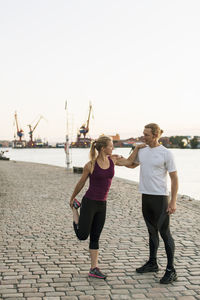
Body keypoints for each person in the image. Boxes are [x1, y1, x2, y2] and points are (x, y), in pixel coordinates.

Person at [69, 135, 145, 279]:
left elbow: (130, 161)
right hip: (89, 202)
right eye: (111, 146)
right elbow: (81, 183)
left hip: (102, 204)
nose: (113, 148)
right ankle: (75, 209)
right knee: (82, 235)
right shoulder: (90, 165)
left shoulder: (113, 159)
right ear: (104, 148)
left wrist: (137, 149)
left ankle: (94, 268)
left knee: (95, 237)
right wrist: (72, 198)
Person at [117, 123, 178, 284]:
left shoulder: (166, 153)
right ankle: (152, 263)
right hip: (146, 196)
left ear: (156, 135)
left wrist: (173, 201)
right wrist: (116, 159)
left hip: (160, 198)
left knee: (165, 233)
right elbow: (131, 165)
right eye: (143, 133)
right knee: (151, 231)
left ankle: (171, 270)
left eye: (147, 134)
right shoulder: (142, 150)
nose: (144, 136)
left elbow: (174, 178)